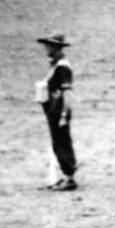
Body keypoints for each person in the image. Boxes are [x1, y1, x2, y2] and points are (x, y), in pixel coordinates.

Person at [38, 33, 77, 191]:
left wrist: (63, 114)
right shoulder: (57, 65)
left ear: (56, 47)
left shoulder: (62, 67)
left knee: (62, 142)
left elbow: (67, 93)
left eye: (49, 45)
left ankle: (69, 178)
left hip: (59, 111)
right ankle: (67, 176)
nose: (46, 48)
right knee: (58, 142)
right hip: (54, 109)